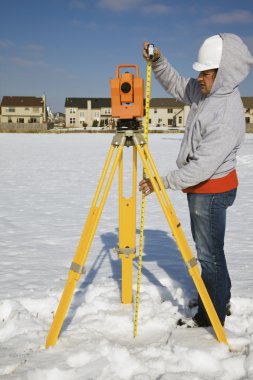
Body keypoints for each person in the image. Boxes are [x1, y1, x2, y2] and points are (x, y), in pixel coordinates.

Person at [139, 34, 253, 327]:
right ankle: (219, 296)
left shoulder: (225, 115)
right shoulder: (207, 93)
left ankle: (209, 317)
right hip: (206, 189)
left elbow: (201, 167)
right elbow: (179, 85)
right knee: (213, 251)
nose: (199, 77)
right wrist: (159, 62)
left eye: (206, 72)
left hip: (211, 192)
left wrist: (161, 182)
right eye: (201, 71)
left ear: (223, 73)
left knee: (209, 256)